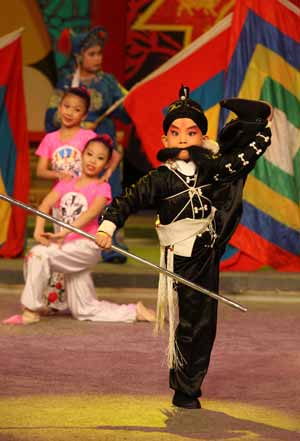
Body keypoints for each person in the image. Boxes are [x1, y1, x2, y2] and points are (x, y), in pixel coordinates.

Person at [95, 86, 272, 409]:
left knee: (202, 323)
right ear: (165, 141)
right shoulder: (159, 178)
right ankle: (183, 383)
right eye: (175, 133)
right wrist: (108, 226)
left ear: (201, 138)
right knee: (186, 323)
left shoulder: (212, 171)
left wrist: (251, 133)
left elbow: (241, 162)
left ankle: (189, 386)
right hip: (178, 257)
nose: (182, 139)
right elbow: (126, 201)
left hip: (206, 252)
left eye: (191, 133)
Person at [2, 136, 155, 325]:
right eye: (89, 154)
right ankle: (134, 311)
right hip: (65, 245)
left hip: (86, 246)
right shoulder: (66, 183)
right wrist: (38, 231)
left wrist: (63, 233)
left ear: (106, 164)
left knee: (37, 255)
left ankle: (31, 309)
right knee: (84, 309)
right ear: (81, 156)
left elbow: (91, 214)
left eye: (100, 158)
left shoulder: (102, 188)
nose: (92, 160)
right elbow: (45, 205)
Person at [45, 25, 131, 263]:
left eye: (99, 54)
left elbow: (126, 114)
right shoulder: (65, 84)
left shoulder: (109, 83)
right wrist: (80, 124)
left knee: (107, 192)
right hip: (77, 151)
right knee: (78, 194)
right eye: (92, 54)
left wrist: (132, 101)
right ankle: (72, 237)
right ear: (78, 56)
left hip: (103, 147)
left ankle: (109, 243)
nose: (97, 59)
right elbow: (50, 116)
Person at [36, 86, 120, 309]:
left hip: (84, 201)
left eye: (77, 109)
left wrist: (106, 175)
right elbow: (40, 171)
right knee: (58, 247)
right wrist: (58, 174)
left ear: (84, 115)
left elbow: (114, 154)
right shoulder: (51, 139)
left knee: (71, 250)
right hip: (60, 203)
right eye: (66, 106)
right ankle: (55, 302)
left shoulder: (88, 136)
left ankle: (73, 301)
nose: (70, 112)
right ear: (59, 107)